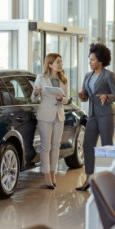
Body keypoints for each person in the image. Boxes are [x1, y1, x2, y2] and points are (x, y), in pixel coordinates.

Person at [76, 43, 115, 191]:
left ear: (100, 60)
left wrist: (106, 96)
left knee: (106, 146)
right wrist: (82, 96)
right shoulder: (88, 76)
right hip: (93, 115)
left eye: (92, 60)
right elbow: (86, 96)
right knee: (88, 145)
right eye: (89, 59)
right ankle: (89, 178)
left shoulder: (109, 75)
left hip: (106, 114)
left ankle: (108, 180)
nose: (90, 62)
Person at [31, 53, 69, 189]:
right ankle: (47, 175)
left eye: (61, 62)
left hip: (59, 115)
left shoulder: (63, 80)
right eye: (58, 62)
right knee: (46, 147)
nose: (60, 64)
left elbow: (67, 99)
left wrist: (61, 99)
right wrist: (36, 92)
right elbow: (33, 99)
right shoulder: (40, 78)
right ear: (50, 64)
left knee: (56, 146)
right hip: (45, 116)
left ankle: (53, 174)